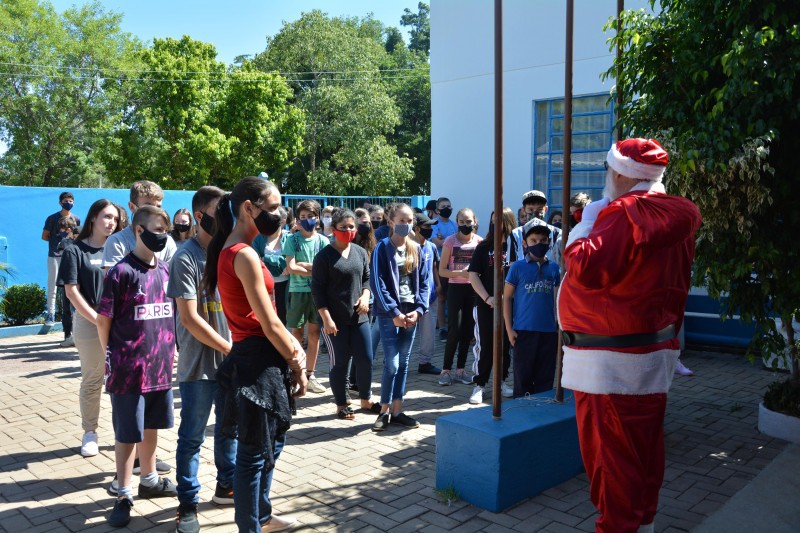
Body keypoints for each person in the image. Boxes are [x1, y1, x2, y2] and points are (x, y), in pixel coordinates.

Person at [559, 138, 701, 532]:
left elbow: (585, 268)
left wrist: (584, 225)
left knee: (610, 462)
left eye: (609, 170)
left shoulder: (622, 213)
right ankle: (643, 524)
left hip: (607, 363)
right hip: (650, 353)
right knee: (643, 453)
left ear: (621, 173)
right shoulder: (677, 212)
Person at [201, 176, 307, 532]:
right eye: (273, 207)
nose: (280, 213)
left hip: (260, 358)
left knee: (268, 445)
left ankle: (262, 514)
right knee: (252, 455)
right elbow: (270, 323)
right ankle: (252, 525)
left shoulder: (239, 248)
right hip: (257, 360)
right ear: (249, 208)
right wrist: (298, 361)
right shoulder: (242, 254)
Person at [96, 206, 179, 528]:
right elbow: (104, 320)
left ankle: (149, 479)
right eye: (157, 229)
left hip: (159, 370)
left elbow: (169, 315)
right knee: (127, 432)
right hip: (127, 370)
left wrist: (172, 351)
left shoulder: (166, 270)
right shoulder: (121, 272)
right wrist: (112, 355)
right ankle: (123, 491)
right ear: (139, 231)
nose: (163, 236)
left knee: (151, 426)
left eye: (166, 230)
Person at [169, 186, 236, 533]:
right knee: (192, 436)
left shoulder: (228, 253)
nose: (225, 218)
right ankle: (187, 504)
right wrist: (228, 347)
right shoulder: (185, 258)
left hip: (231, 363)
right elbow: (191, 319)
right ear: (199, 216)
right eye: (218, 211)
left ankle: (226, 487)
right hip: (199, 366)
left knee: (229, 431)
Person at [57, 200, 121, 457]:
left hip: (119, 322)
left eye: (115, 219)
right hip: (89, 321)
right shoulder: (75, 251)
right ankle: (90, 432)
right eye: (106, 217)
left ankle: (125, 434)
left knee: (122, 381)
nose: (111, 223)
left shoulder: (120, 249)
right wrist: (97, 318)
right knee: (94, 379)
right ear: (93, 218)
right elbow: (71, 291)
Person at [312, 208, 378, 420]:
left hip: (360, 317)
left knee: (366, 359)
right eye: (343, 227)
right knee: (339, 362)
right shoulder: (324, 257)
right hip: (334, 321)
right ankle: (341, 404)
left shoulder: (359, 252)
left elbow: (367, 279)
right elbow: (318, 291)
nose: (348, 230)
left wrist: (366, 296)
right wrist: (327, 319)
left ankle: (366, 399)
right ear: (333, 229)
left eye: (351, 227)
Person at [370, 203, 431, 431]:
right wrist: (394, 312)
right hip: (389, 314)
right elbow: (378, 284)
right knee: (392, 364)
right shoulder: (381, 248)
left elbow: (425, 283)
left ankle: (397, 410)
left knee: (404, 362)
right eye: (401, 221)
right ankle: (384, 410)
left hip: (411, 311)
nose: (405, 225)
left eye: (409, 221)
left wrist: (419, 309)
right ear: (390, 222)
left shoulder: (417, 248)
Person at [503, 225, 560, 397]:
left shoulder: (554, 268)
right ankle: (521, 415)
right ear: (525, 243)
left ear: (549, 243)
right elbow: (506, 298)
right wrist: (509, 328)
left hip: (549, 331)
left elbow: (557, 299)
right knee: (523, 377)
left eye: (543, 241)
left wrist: (558, 324)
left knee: (546, 378)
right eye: (534, 241)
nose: (539, 244)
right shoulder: (517, 267)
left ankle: (541, 414)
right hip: (524, 331)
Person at [467, 208, 515, 404]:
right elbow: (473, 276)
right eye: (493, 220)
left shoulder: (516, 247)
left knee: (505, 345)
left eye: (501, 220)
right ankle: (480, 384)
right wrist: (487, 298)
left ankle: (501, 381)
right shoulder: (483, 247)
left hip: (509, 306)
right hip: (486, 305)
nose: (497, 224)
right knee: (485, 345)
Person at [283, 199, 329, 394]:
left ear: (317, 218)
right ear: (298, 219)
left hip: (318, 293)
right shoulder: (292, 240)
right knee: (296, 334)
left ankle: (310, 375)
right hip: (297, 292)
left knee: (314, 334)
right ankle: (296, 372)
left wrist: (305, 267)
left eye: (310, 216)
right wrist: (313, 268)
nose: (307, 220)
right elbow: (291, 267)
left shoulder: (323, 241)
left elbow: (326, 270)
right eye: (303, 217)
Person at [438, 208, 482, 386]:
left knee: (468, 331)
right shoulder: (450, 241)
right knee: (454, 331)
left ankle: (460, 370)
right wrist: (461, 274)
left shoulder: (479, 242)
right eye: (462, 222)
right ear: (457, 222)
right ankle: (445, 370)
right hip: (455, 289)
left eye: (468, 221)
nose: (465, 225)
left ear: (474, 221)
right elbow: (442, 270)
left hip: (473, 290)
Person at [103, 180, 177, 268]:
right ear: (132, 207)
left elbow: (172, 277)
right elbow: (115, 279)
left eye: (158, 207)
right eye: (148, 207)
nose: (155, 212)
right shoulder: (117, 242)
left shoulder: (167, 242)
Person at [42, 191, 81, 326]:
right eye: (65, 201)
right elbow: (44, 236)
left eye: (70, 201)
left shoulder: (76, 219)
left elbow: (77, 237)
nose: (68, 203)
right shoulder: (52, 218)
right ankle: (51, 314)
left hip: (71, 257)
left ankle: (74, 314)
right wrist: (57, 242)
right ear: (60, 202)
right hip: (55, 256)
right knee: (52, 285)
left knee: (71, 285)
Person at [413, 212, 442, 375]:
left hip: (430, 296)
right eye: (426, 226)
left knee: (429, 332)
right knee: (407, 333)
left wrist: (438, 285)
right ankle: (396, 361)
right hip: (412, 299)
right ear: (417, 228)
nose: (430, 229)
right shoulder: (408, 247)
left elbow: (434, 268)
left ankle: (425, 362)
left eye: (431, 226)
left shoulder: (431, 246)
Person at [252, 206, 290, 325]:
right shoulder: (258, 238)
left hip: (285, 285)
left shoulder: (289, 237)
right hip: (264, 285)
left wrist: (266, 258)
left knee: (282, 318)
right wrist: (280, 262)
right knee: (265, 319)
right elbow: (255, 259)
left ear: (283, 221)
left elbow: (288, 262)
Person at [508, 190, 561, 265]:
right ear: (523, 210)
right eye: (530, 209)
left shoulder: (557, 233)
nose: (535, 213)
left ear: (545, 209)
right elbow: (511, 264)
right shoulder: (516, 234)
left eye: (539, 209)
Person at [430, 197, 457, 337]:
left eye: (449, 205)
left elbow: (457, 242)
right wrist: (447, 240)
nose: (447, 208)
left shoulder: (455, 225)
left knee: (453, 297)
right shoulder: (434, 224)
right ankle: (442, 328)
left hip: (454, 264)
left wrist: (444, 239)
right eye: (443, 206)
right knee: (441, 296)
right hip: (440, 264)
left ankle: (453, 326)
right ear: (437, 210)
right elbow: (437, 243)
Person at [54, 215, 79, 347]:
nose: (61, 232)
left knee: (73, 308)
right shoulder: (63, 242)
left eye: (63, 229)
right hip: (66, 278)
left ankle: (75, 335)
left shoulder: (75, 242)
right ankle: (68, 335)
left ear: (69, 229)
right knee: (67, 309)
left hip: (73, 278)